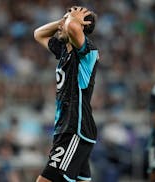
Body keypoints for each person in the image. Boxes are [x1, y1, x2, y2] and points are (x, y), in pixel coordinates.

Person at [34, 6, 99, 182]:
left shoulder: (87, 51)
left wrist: (73, 21)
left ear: (80, 26)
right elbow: (38, 34)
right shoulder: (64, 50)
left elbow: (72, 29)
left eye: (68, 19)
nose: (62, 25)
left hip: (75, 129)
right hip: (66, 127)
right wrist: (64, 21)